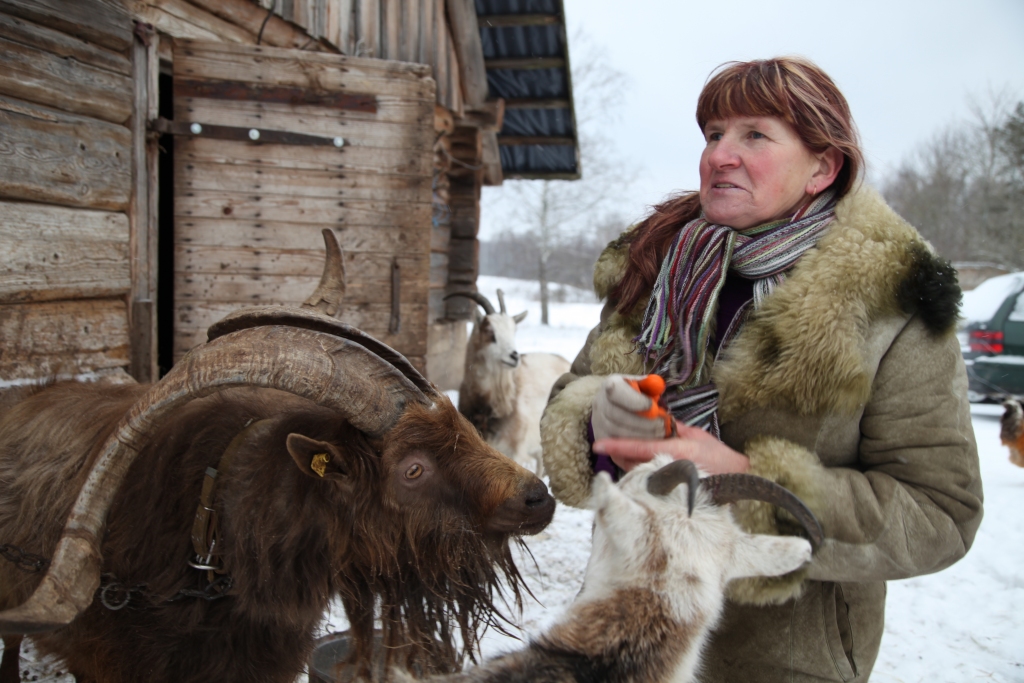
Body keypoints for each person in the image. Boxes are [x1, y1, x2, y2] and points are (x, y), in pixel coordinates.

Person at [539, 57, 983, 682]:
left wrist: (748, 481)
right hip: (624, 635)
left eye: (754, 135)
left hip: (783, 659)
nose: (720, 155)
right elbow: (571, 398)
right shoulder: (652, 271)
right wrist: (599, 420)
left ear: (822, 168)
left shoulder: (894, 302)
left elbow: (941, 513)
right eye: (713, 135)